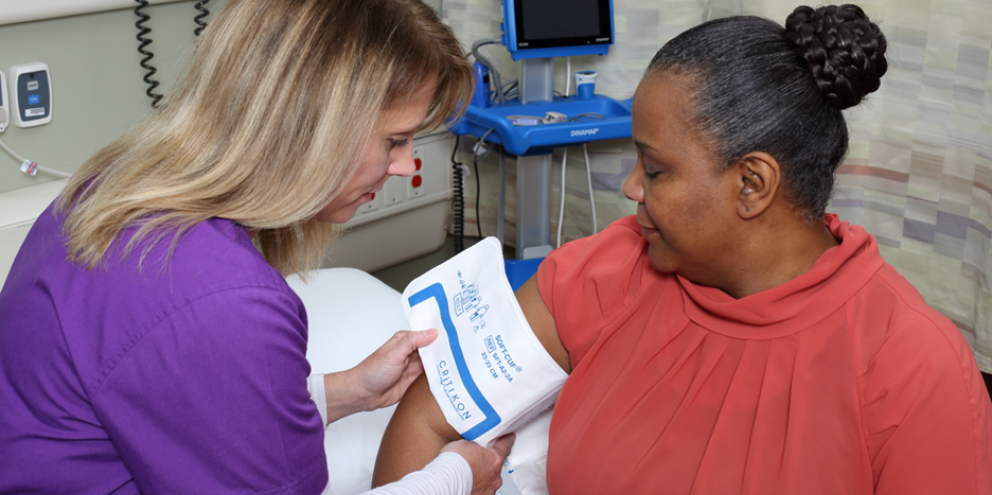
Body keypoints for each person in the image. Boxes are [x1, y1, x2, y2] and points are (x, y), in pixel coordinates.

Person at [373, 4, 992, 494]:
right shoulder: (614, 268)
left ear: (752, 184)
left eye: (656, 169)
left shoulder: (912, 370)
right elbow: (428, 421)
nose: (631, 187)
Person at [0, 0, 513, 493]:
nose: (404, 166)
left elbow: (177, 401)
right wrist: (453, 479)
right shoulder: (226, 301)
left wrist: (347, 391)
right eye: (395, 141)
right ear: (314, 129)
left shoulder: (108, 187)